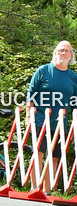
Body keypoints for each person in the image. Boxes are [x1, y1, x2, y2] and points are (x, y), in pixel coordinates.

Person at [26, 40, 77, 192]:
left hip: (60, 123)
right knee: (38, 152)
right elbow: (30, 94)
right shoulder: (43, 71)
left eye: (66, 51)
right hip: (41, 119)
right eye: (60, 50)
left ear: (71, 55)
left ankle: (46, 192)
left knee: (54, 157)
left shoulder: (73, 77)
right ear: (55, 53)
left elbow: (75, 104)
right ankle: (34, 187)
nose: (63, 53)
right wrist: (28, 117)